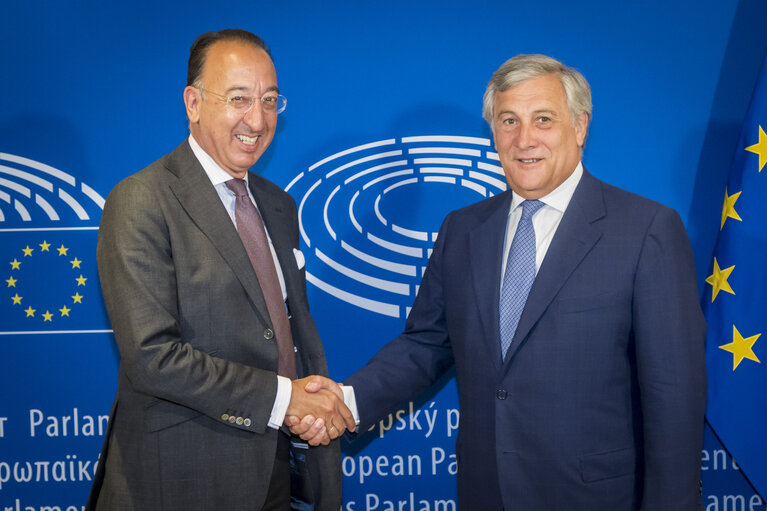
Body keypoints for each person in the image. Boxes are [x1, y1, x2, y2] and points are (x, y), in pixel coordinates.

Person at [292, 54, 707, 509]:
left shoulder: (646, 229)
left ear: (580, 127)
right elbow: (427, 344)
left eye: (542, 119)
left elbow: (674, 397)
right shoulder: (464, 229)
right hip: (485, 492)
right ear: (493, 132)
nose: (524, 139)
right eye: (508, 121)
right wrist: (348, 400)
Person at [86, 29, 354, 511]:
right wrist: (284, 400)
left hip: (275, 473)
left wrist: (311, 402)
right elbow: (153, 357)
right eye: (238, 99)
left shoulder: (278, 205)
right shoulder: (141, 200)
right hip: (181, 483)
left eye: (270, 100)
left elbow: (286, 335)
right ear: (193, 103)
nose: (257, 119)